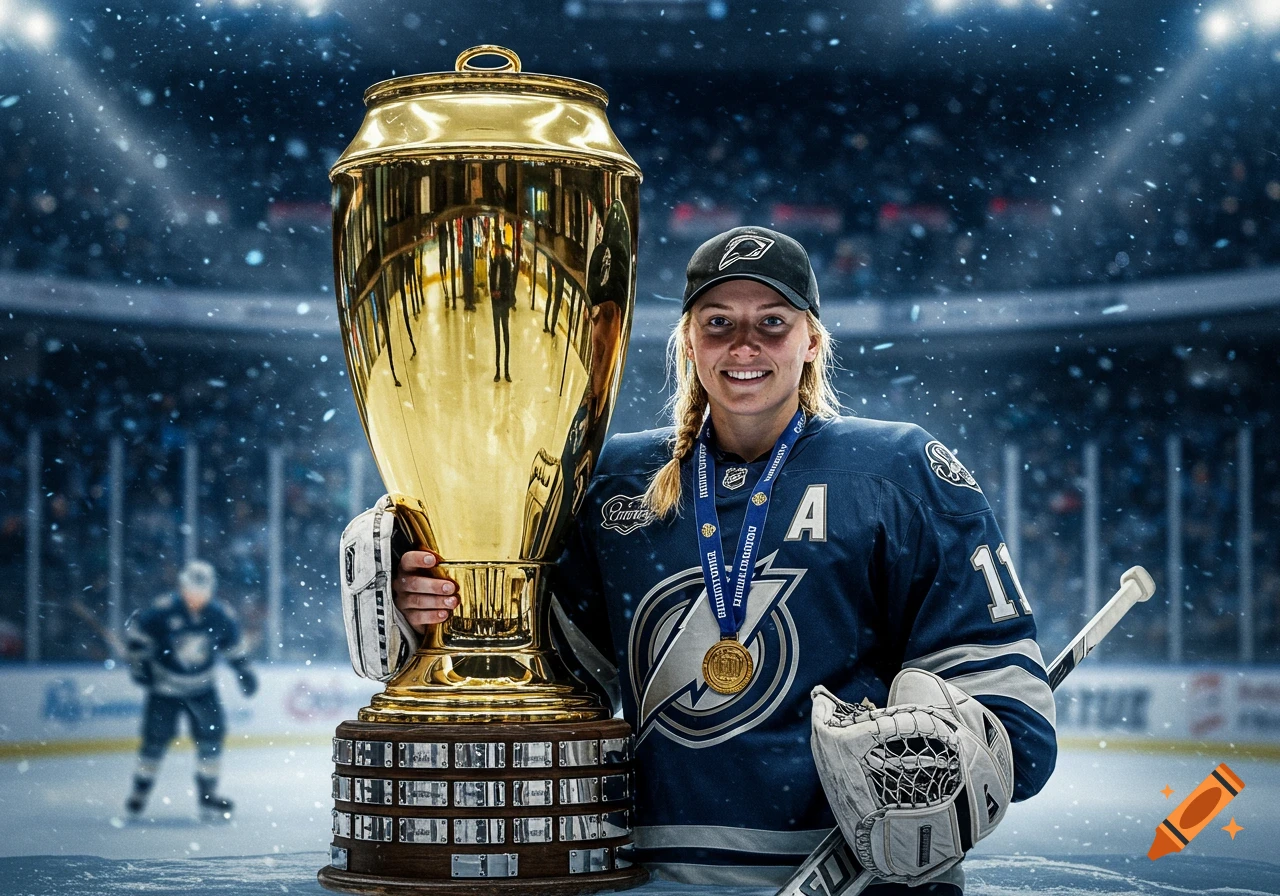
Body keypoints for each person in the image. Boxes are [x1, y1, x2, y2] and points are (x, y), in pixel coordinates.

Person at [350, 227, 1057, 893]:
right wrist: (439, 605)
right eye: (718, 322)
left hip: (853, 876)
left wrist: (951, 759)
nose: (745, 344)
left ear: (813, 339)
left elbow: (1016, 723)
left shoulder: (897, 469)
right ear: (688, 341)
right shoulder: (614, 482)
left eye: (772, 321)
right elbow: (544, 675)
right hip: (649, 877)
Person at [123, 559, 258, 822]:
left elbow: (233, 646)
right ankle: (140, 790)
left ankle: (208, 794)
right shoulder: (163, 611)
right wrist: (140, 666)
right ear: (182, 587)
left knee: (211, 738)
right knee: (154, 741)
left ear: (211, 591)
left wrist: (243, 670)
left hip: (202, 689)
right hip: (164, 689)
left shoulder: (219, 614)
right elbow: (138, 640)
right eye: (191, 591)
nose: (196, 598)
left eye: (202, 592)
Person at [489, 237, 515, 383]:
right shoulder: (493, 265)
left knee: (506, 336)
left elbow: (509, 283)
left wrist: (502, 293)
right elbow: (491, 282)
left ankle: (507, 370)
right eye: (496, 249)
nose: (498, 251)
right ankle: (497, 370)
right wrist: (493, 293)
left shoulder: (506, 264)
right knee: (497, 338)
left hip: (504, 304)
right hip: (495, 304)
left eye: (499, 249)